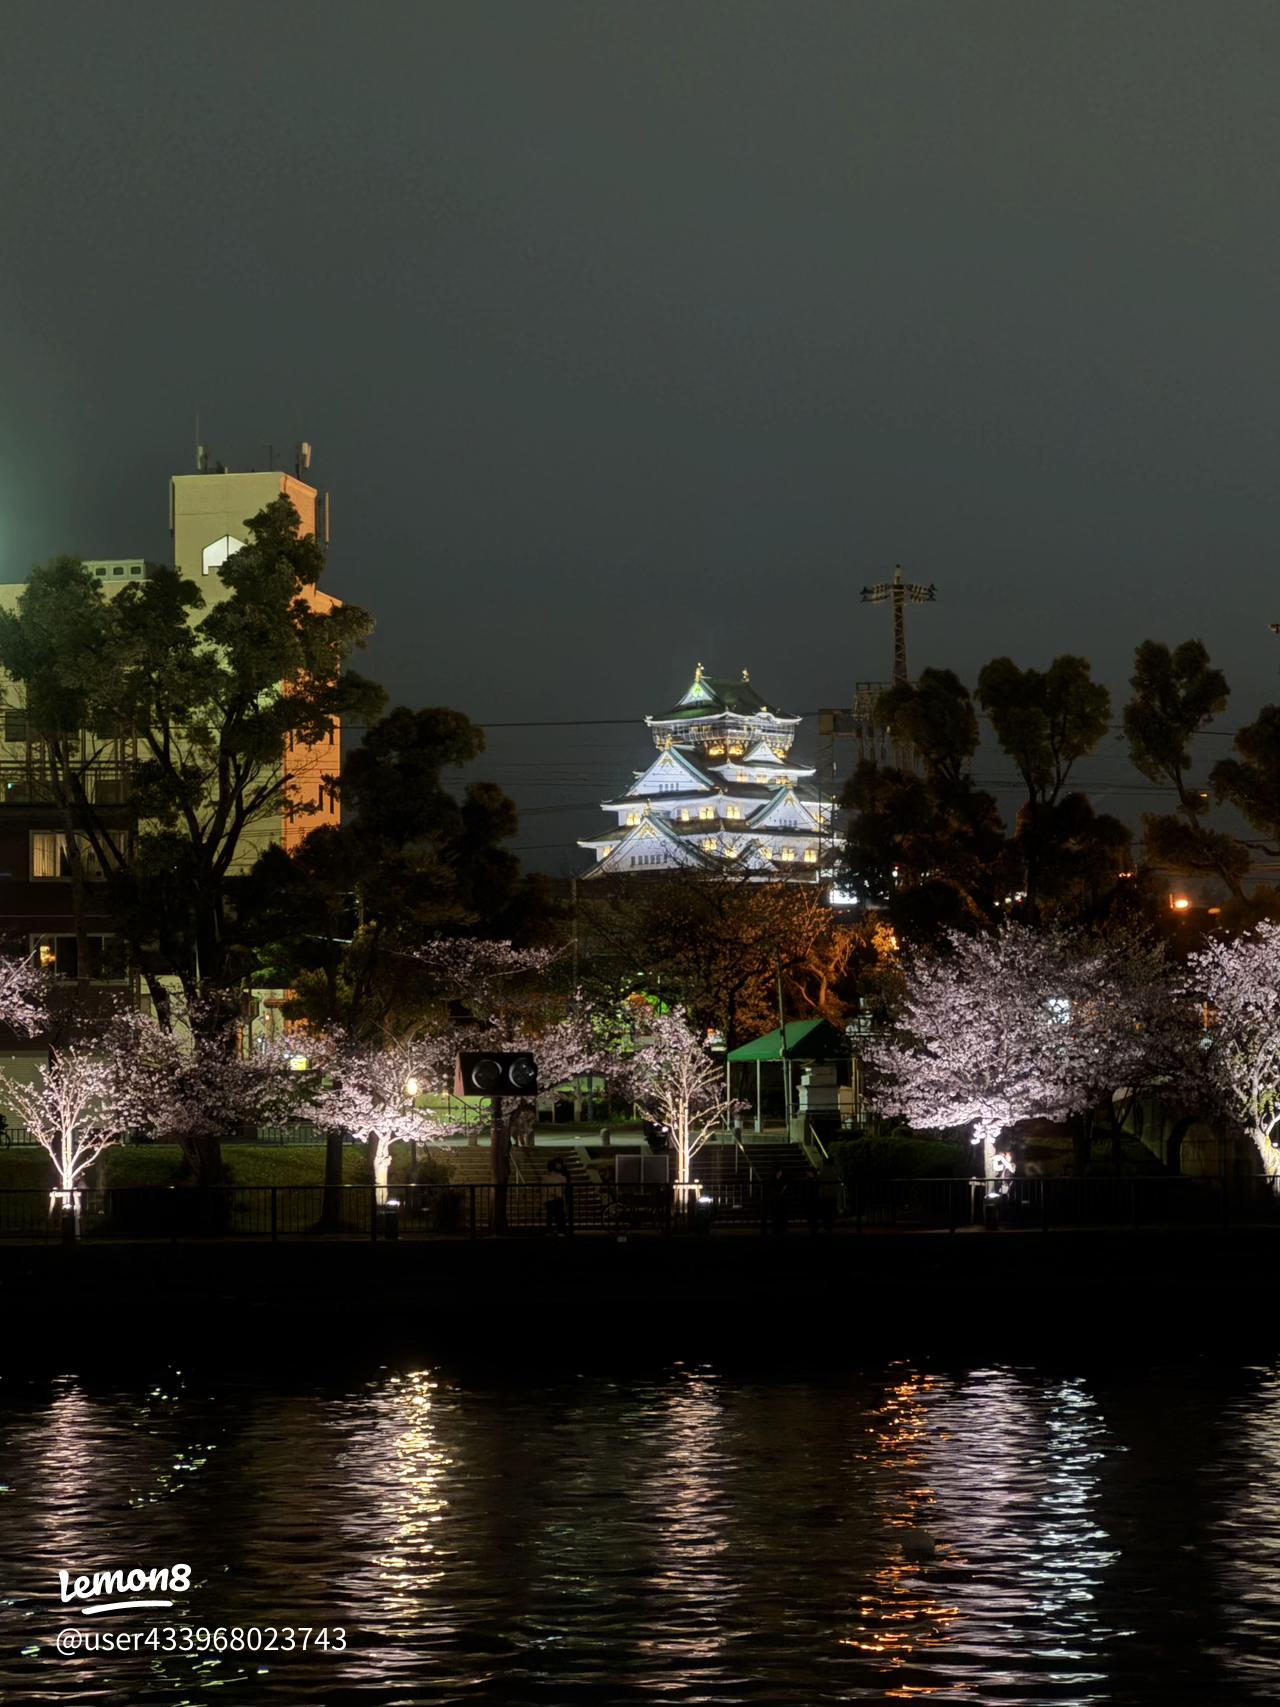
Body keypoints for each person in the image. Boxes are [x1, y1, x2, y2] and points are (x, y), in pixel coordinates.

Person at [544, 1156, 570, 1236]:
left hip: (550, 1198)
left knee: (551, 1215)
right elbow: (563, 1187)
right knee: (559, 1215)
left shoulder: (546, 1178)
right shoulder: (561, 1177)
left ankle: (550, 1230)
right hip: (557, 1198)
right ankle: (560, 1230)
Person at [763, 1163, 788, 1236]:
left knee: (776, 1216)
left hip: (775, 1201)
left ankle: (777, 1229)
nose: (780, 1173)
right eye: (780, 1172)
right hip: (777, 1201)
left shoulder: (771, 1180)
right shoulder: (779, 1180)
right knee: (777, 1215)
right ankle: (779, 1229)